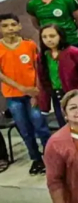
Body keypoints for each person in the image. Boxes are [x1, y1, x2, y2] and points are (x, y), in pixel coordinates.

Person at [0, 13, 51, 174]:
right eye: (5, 26)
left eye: (13, 25)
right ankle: (36, 159)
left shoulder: (29, 45)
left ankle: (51, 156)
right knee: (25, 129)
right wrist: (21, 88)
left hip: (33, 94)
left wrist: (35, 92)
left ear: (19, 26)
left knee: (40, 125)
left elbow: (38, 69)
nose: (10, 29)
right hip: (13, 96)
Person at [36, 25, 78, 128]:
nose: (48, 40)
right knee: (64, 125)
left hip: (74, 95)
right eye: (45, 37)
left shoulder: (73, 52)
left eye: (52, 36)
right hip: (57, 95)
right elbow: (43, 78)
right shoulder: (43, 56)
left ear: (60, 36)